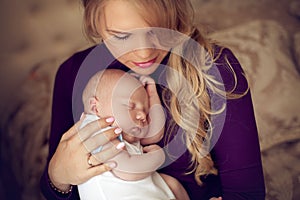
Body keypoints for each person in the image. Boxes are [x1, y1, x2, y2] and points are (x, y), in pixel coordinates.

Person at [40, 0, 266, 199]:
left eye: (158, 30)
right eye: (122, 36)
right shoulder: (73, 74)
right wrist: (57, 177)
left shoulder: (216, 68)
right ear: (94, 25)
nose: (144, 53)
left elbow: (246, 193)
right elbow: (59, 193)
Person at [77, 69, 189, 200]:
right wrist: (157, 158)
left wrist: (152, 93)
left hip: (143, 191)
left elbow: (155, 133)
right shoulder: (95, 132)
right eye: (130, 107)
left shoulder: (125, 132)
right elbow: (127, 170)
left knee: (172, 184)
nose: (142, 115)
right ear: (95, 108)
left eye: (146, 111)